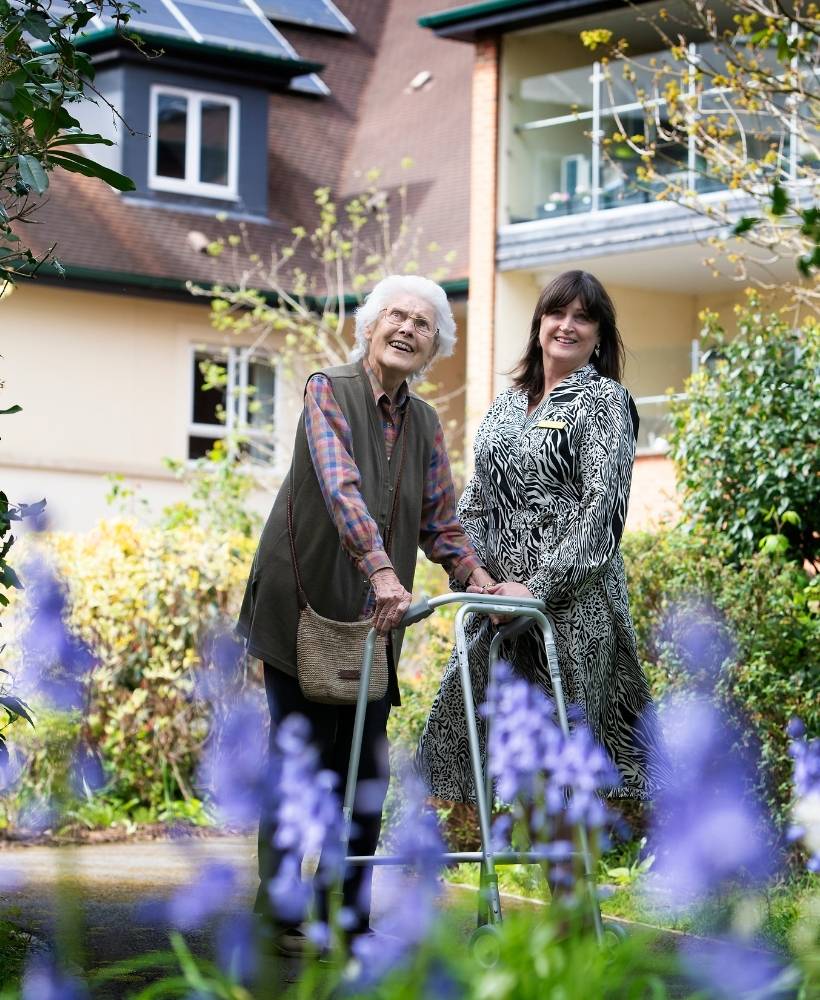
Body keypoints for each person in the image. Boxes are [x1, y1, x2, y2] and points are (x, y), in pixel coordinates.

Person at [237, 274, 495, 955]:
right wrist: (381, 566)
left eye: (424, 324)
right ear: (371, 327)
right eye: (398, 317)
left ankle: (344, 918)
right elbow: (340, 486)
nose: (409, 329)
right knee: (302, 757)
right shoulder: (329, 391)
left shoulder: (427, 424)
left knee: (365, 766)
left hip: (374, 618)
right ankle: (281, 915)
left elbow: (442, 522)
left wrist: (480, 580)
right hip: (302, 602)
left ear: (436, 346)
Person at [417, 270, 667, 810]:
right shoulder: (506, 407)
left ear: (600, 334)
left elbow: (602, 512)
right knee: (469, 753)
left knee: (566, 773)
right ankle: (487, 887)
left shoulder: (604, 402)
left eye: (584, 317)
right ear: (539, 324)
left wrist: (536, 589)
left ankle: (570, 889)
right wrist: (481, 584)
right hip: (499, 608)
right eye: (558, 313)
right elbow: (476, 502)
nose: (568, 326)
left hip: (573, 614)